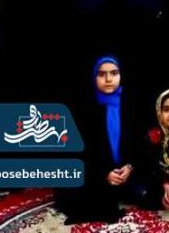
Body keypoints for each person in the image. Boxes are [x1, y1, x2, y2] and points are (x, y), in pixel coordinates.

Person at [56, 56, 137, 224]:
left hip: (126, 173)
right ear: (94, 77)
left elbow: (140, 144)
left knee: (151, 192)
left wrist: (130, 167)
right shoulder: (85, 106)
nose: (108, 79)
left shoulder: (131, 104)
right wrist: (104, 174)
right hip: (96, 173)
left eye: (114, 73)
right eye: (102, 74)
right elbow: (81, 151)